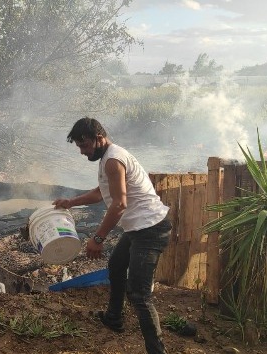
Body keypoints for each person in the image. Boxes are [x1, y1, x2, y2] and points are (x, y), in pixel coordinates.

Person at [53, 117, 172, 354]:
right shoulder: (108, 157)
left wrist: (97, 238)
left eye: (84, 146)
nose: (82, 151)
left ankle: (157, 351)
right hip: (138, 228)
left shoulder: (113, 160)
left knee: (139, 294)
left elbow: (118, 204)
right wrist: (71, 202)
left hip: (150, 229)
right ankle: (113, 318)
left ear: (99, 138)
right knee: (116, 266)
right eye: (78, 146)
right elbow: (101, 192)